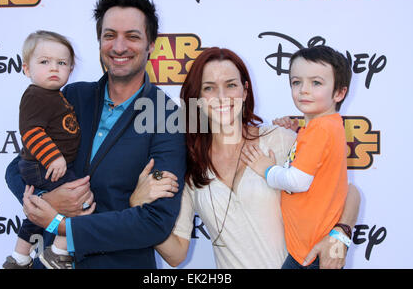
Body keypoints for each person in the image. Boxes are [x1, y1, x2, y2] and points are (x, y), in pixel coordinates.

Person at [130, 47, 360, 269]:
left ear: (245, 91)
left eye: (231, 85)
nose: (221, 96)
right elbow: (177, 254)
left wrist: (340, 236)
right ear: (197, 97)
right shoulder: (191, 165)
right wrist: (139, 211)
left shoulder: (280, 139)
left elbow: (348, 192)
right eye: (209, 88)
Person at [5, 0, 186, 268]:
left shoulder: (165, 115)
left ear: (151, 44)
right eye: (110, 35)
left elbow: (154, 222)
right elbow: (18, 167)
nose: (119, 47)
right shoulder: (74, 96)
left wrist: (61, 224)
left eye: (133, 36)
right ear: (99, 40)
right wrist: (47, 198)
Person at [243, 45, 352, 269]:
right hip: (309, 248)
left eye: (316, 83)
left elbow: (297, 181)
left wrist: (267, 169)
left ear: (340, 92)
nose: (304, 90)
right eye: (296, 82)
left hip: (311, 253)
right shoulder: (325, 126)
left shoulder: (320, 130)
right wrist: (297, 132)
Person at [3, 30, 86, 269]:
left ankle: (19, 257)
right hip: (43, 166)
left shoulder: (54, 95)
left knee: (41, 211)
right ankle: (58, 252)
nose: (54, 68)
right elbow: (31, 132)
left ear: (71, 70)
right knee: (78, 198)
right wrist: (54, 158)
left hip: (45, 165)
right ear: (27, 69)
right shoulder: (36, 95)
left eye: (61, 63)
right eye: (44, 62)